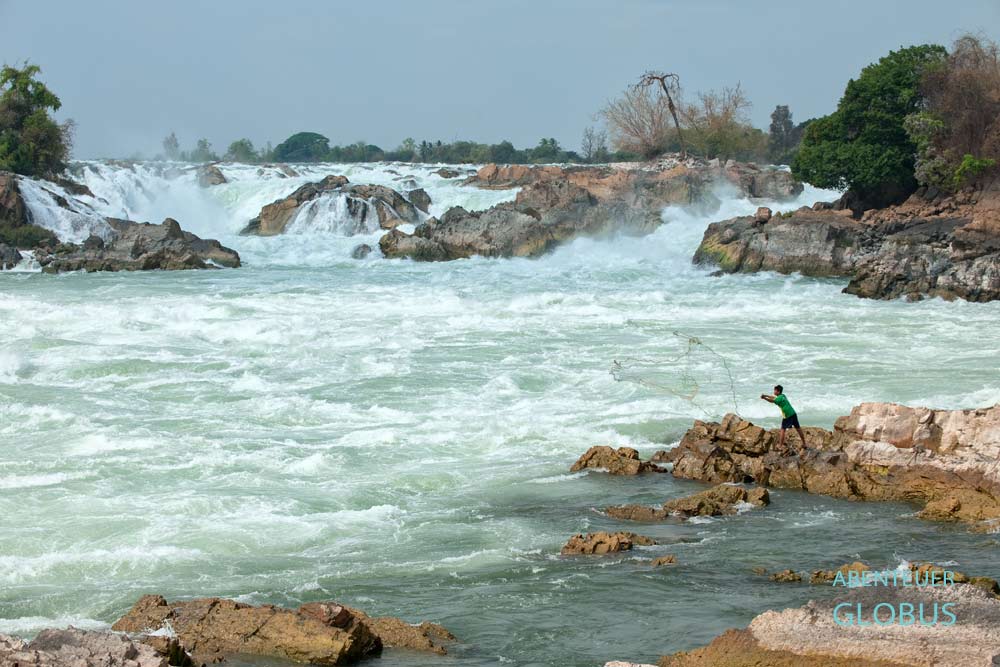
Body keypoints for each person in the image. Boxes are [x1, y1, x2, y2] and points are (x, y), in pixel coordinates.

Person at [760, 384, 806, 455]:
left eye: (775, 390)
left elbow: (772, 400)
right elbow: (774, 397)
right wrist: (765, 395)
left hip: (787, 415)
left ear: (778, 391)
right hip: (793, 413)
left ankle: (780, 446)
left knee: (782, 429)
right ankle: (804, 443)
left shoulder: (778, 399)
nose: (774, 391)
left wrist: (764, 398)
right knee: (798, 428)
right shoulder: (783, 396)